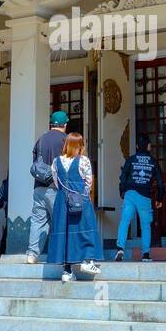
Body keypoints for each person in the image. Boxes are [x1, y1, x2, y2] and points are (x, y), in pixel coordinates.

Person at [48, 132, 101, 282]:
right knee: (85, 229)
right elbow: (89, 182)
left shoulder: (56, 161)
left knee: (65, 233)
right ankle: (87, 261)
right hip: (80, 199)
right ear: (79, 146)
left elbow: (56, 182)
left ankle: (67, 271)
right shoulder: (83, 160)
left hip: (61, 201)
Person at [27, 111, 69, 264]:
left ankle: (32, 254)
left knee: (38, 221)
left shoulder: (41, 139)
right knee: (60, 221)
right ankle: (59, 255)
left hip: (38, 187)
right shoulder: (66, 140)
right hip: (56, 188)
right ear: (65, 124)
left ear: (51, 123)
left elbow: (35, 162)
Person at [115, 135, 166, 262]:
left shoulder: (131, 160)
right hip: (145, 196)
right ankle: (146, 254)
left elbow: (123, 177)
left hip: (130, 194)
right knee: (145, 226)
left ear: (137, 146)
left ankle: (120, 248)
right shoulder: (153, 161)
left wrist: (122, 191)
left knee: (124, 221)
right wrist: (159, 198)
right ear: (148, 146)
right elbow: (160, 182)